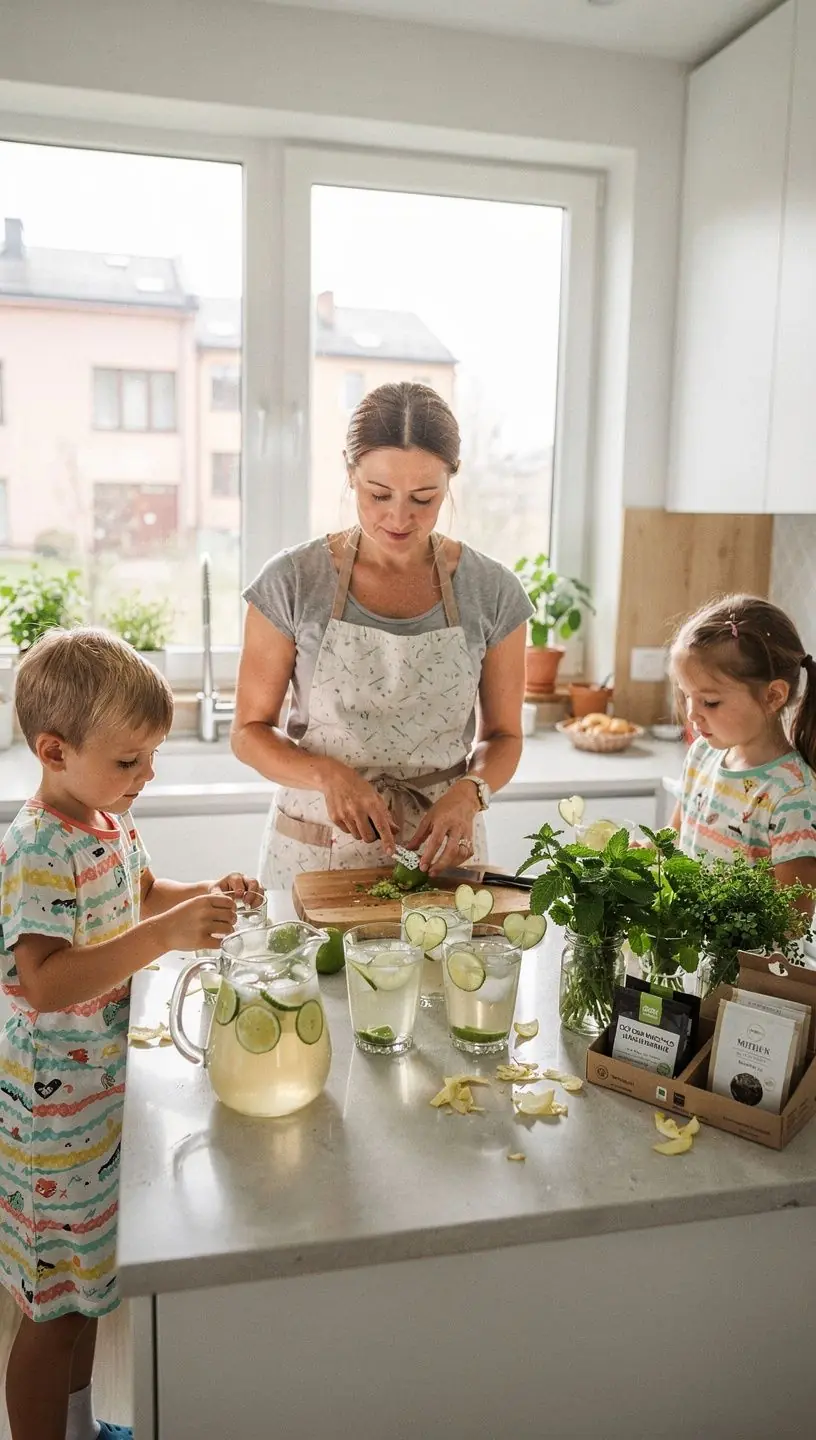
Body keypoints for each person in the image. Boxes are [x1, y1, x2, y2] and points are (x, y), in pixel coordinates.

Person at [0, 629, 262, 1440]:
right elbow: (44, 981)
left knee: (85, 1296)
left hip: (96, 1100)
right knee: (51, 1312)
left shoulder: (106, 819)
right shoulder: (38, 846)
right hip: (51, 1125)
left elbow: (141, 894)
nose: (146, 776)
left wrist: (204, 894)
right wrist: (162, 937)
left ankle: (80, 1428)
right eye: (129, 760)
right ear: (54, 751)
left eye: (152, 756)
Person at [232, 381, 534, 889]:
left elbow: (504, 736)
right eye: (378, 494)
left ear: (450, 481)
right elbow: (248, 732)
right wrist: (328, 776)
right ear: (350, 474)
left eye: (423, 498)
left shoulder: (493, 590)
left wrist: (470, 793)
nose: (399, 516)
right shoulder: (293, 581)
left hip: (443, 854)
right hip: (314, 848)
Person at [669, 594, 816, 909]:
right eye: (686, 695)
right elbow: (675, 838)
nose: (692, 714)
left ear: (773, 696)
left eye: (710, 702)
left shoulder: (792, 797)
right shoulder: (701, 756)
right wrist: (648, 851)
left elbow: (793, 920)